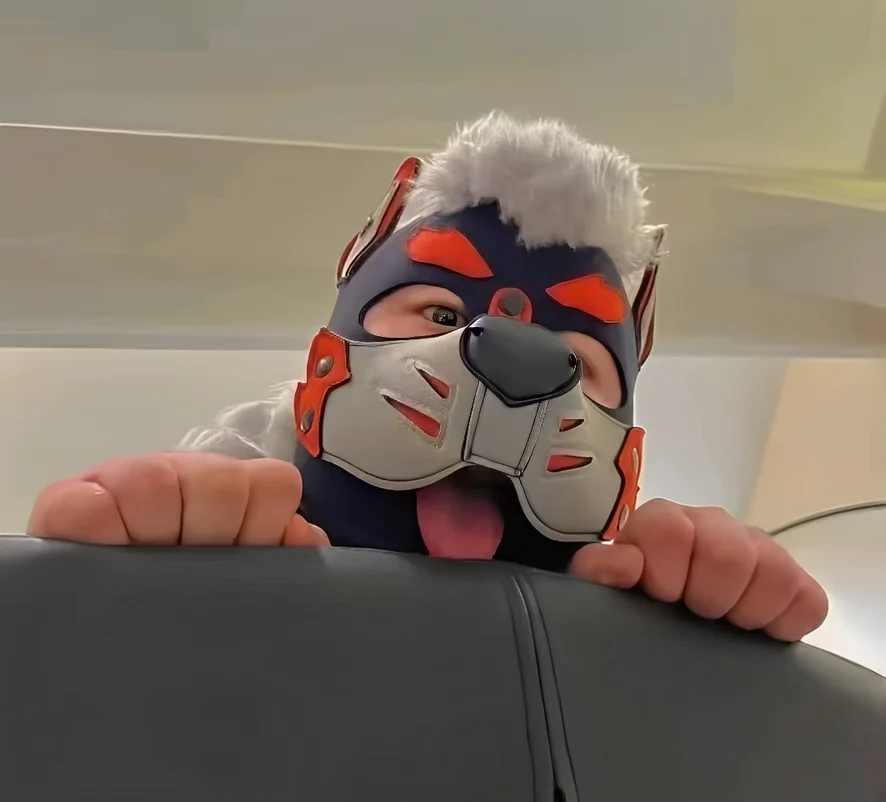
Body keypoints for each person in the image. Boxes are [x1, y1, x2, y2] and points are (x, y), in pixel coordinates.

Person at [27, 112, 827, 642]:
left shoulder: (628, 583)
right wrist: (134, 560)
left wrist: (706, 621)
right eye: (441, 313)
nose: (519, 361)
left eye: (577, 357)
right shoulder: (238, 499)